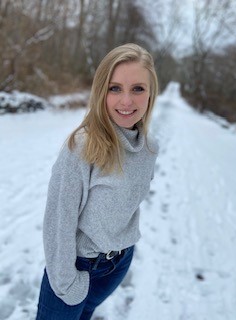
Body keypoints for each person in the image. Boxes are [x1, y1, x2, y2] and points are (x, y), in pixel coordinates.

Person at [36, 43, 159, 320]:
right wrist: (67, 282)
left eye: (138, 88)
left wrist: (124, 249)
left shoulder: (149, 148)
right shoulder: (82, 147)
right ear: (101, 91)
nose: (126, 101)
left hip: (117, 263)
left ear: (151, 94)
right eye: (115, 88)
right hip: (75, 267)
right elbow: (59, 221)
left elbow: (130, 202)